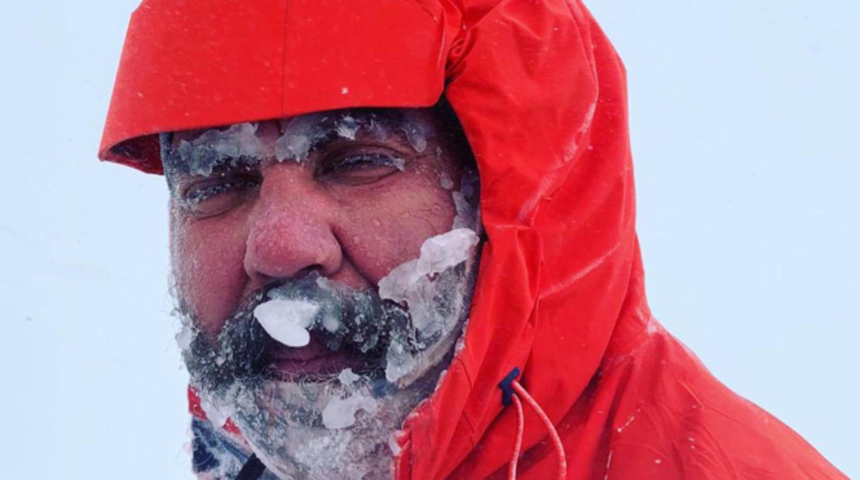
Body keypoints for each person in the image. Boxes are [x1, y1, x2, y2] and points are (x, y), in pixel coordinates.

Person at [99, 1, 848, 479]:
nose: (280, 247)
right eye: (216, 184)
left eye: (360, 162)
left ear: (512, 198)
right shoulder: (256, 457)